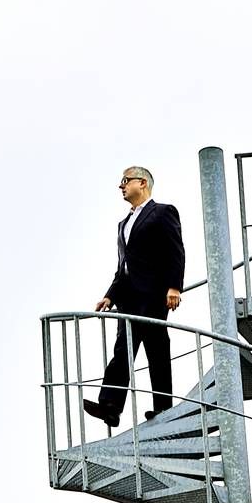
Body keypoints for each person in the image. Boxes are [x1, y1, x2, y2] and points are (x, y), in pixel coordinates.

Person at [83, 166, 185, 429]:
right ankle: (110, 407)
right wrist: (110, 296)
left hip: (153, 295)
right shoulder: (123, 224)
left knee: (156, 350)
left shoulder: (162, 212)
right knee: (122, 351)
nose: (121, 186)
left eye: (125, 181)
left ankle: (163, 408)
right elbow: (123, 267)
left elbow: (176, 251)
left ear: (143, 182)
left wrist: (174, 287)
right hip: (128, 298)